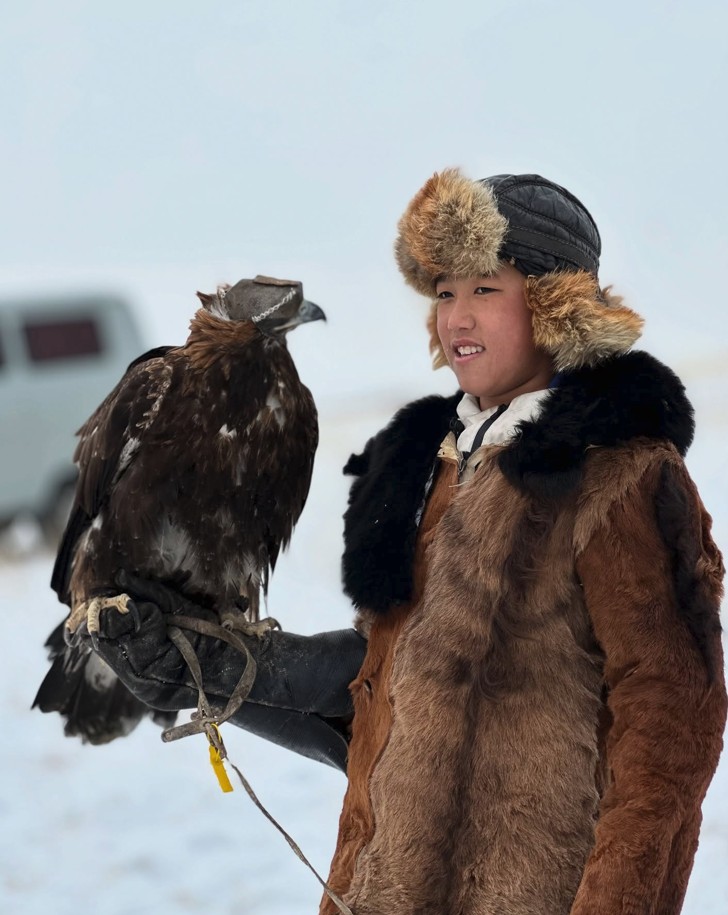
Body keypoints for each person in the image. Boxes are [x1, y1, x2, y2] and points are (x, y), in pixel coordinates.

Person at [84, 169, 727, 915]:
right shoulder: (430, 465)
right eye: (444, 291)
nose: (457, 316)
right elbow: (389, 703)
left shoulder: (622, 474)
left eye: (486, 288)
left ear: (556, 305)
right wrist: (221, 673)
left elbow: (672, 731)